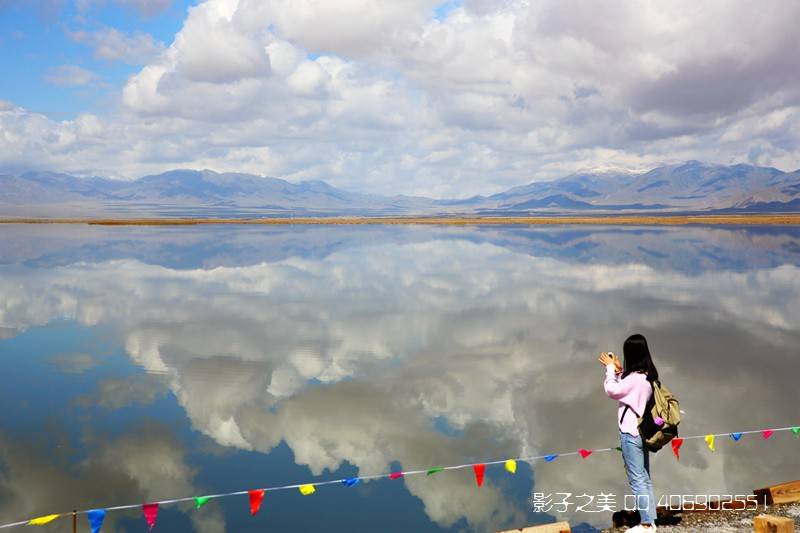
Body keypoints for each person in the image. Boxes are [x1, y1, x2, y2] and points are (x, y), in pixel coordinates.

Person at [598, 334, 659, 531]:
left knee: (637, 480)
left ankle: (647, 525)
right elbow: (628, 386)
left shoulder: (635, 379)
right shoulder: (647, 375)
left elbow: (612, 390)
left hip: (630, 434)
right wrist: (618, 370)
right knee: (644, 478)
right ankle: (650, 519)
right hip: (643, 433)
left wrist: (609, 370)